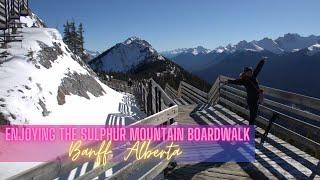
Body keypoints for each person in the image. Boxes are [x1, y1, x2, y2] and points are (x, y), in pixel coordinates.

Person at [223, 58, 266, 125]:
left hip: (256, 99)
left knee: (254, 115)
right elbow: (236, 81)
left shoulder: (253, 76)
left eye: (250, 72)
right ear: (245, 73)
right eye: (248, 72)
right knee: (253, 115)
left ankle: (252, 129)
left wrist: (262, 61)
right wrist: (228, 81)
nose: (250, 73)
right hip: (251, 100)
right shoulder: (244, 80)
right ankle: (251, 131)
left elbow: (258, 69)